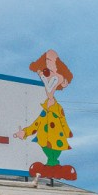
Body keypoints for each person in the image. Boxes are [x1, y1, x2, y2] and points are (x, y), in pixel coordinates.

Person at [15, 49, 77, 180]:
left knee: (53, 153)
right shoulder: (46, 108)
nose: (49, 78)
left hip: (56, 140)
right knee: (48, 152)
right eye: (46, 72)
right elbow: (37, 122)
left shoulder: (56, 108)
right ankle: (50, 167)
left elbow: (62, 122)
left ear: (64, 81)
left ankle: (54, 167)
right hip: (44, 139)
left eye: (52, 72)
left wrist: (67, 132)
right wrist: (25, 132)